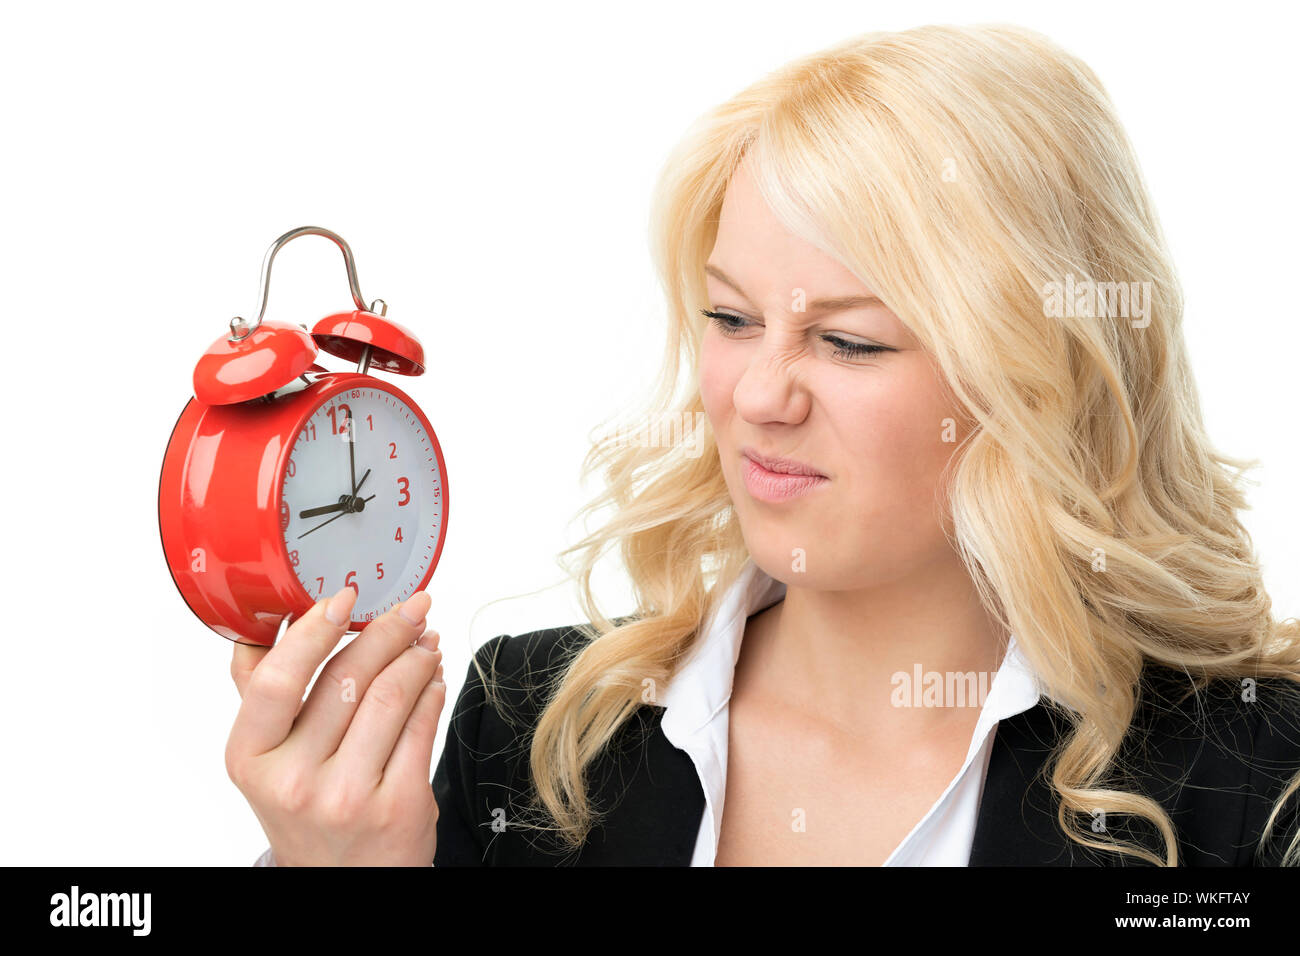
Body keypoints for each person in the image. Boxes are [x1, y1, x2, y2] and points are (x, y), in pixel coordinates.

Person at [225, 22, 1300, 867]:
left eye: (847, 339)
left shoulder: (1250, 783)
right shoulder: (527, 733)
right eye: (731, 318)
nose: (760, 395)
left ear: (1038, 379)